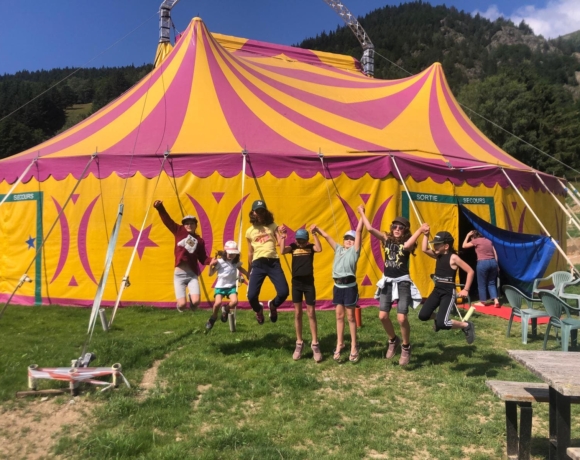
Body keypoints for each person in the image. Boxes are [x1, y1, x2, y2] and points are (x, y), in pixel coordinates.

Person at [358, 205, 426, 366]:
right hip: (387, 281)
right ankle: (393, 340)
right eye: (394, 226)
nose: (396, 229)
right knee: (382, 316)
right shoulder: (386, 240)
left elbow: (409, 245)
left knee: (402, 318)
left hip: (402, 283)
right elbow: (369, 229)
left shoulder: (407, 244)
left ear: (405, 230)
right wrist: (361, 212)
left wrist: (421, 230)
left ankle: (406, 346)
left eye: (400, 228)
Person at [313, 215, 364, 363]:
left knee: (350, 317)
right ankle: (339, 343)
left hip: (349, 287)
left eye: (351, 238)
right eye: (346, 238)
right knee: (339, 317)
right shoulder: (338, 249)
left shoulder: (354, 251)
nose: (349, 240)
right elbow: (327, 236)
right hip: (338, 287)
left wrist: (361, 215)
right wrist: (316, 230)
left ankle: (354, 346)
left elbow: (359, 231)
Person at [419, 228, 476, 344]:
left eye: (437, 245)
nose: (434, 247)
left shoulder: (454, 257)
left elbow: (470, 271)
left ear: (446, 246)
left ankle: (466, 325)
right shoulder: (437, 255)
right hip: (437, 290)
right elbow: (424, 249)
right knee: (423, 315)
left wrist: (466, 289)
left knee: (443, 323)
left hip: (448, 292)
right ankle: (438, 318)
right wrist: (425, 234)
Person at [153, 200, 212, 312]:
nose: (189, 225)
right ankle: (181, 305)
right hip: (179, 274)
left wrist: (212, 260)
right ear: (184, 225)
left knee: (195, 302)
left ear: (196, 225)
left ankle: (192, 298)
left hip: (192, 274)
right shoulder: (179, 231)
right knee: (182, 305)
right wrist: (160, 208)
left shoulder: (199, 240)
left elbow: (203, 258)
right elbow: (167, 221)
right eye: (187, 223)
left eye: (192, 223)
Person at [279, 226, 323, 362]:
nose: (300, 244)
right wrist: (282, 236)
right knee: (297, 313)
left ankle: (315, 344)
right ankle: (299, 343)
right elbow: (281, 250)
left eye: (303, 241)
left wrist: (315, 234)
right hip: (296, 284)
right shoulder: (292, 247)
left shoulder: (310, 248)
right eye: (298, 241)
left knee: (311, 313)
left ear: (307, 240)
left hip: (309, 284)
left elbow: (319, 248)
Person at [245, 200, 289, 324]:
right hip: (258, 264)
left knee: (284, 292)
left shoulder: (272, 225)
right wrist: (249, 270)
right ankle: (258, 310)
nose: (260, 213)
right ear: (253, 212)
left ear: (265, 212)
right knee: (251, 296)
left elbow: (280, 244)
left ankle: (273, 306)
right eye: (257, 211)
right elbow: (250, 252)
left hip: (273, 262)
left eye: (262, 211)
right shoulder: (249, 231)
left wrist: (283, 235)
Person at [206, 241, 249, 331]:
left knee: (234, 302)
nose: (231, 255)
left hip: (231, 287)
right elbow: (210, 274)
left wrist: (248, 274)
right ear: (225, 252)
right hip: (220, 287)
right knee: (217, 303)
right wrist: (211, 265)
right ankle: (213, 317)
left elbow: (241, 268)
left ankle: (225, 309)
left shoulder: (235, 263)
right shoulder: (219, 262)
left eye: (233, 254)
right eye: (230, 253)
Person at [462, 230, 500, 308]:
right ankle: (496, 300)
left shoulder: (476, 240)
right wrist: (497, 264)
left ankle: (483, 301)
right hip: (493, 262)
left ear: (473, 237)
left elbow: (464, 246)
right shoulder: (488, 241)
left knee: (481, 283)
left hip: (483, 262)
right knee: (491, 282)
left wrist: (467, 235)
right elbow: (494, 252)